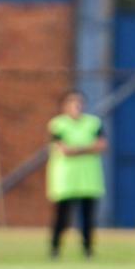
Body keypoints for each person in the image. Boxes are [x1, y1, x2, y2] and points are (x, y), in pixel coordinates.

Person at [47, 91, 107, 259]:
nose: (76, 107)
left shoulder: (93, 123)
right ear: (65, 106)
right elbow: (63, 149)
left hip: (88, 179)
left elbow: (101, 145)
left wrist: (76, 149)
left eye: (79, 103)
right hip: (65, 179)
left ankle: (88, 251)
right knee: (62, 218)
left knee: (88, 219)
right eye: (72, 103)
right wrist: (87, 148)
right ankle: (55, 249)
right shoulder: (58, 124)